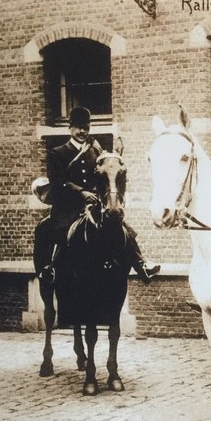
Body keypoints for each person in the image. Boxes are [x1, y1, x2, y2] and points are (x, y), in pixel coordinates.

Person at [34, 106, 160, 286]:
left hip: (94, 204)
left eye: (85, 127)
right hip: (69, 205)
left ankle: (141, 264)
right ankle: (50, 268)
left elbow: (103, 177)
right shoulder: (58, 153)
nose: (82, 131)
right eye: (78, 127)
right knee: (59, 230)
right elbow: (58, 181)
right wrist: (81, 192)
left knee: (121, 225)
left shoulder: (96, 153)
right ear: (70, 128)